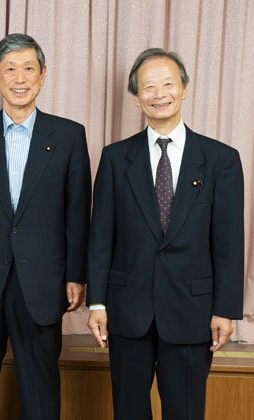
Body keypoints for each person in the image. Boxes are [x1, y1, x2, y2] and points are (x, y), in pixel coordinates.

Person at [87, 48, 244, 420]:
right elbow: (101, 237)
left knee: (186, 412)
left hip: (192, 312)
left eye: (168, 84)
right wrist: (97, 302)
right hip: (127, 312)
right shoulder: (115, 158)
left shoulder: (221, 159)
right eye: (148, 87)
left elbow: (229, 242)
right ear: (137, 96)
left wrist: (225, 308)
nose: (159, 94)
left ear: (184, 89)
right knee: (128, 410)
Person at [0, 33, 91, 419]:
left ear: (43, 75)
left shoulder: (68, 136)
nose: (19, 77)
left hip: (43, 281)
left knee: (41, 386)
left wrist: (76, 274)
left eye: (29, 68)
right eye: (10, 69)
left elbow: (78, 212)